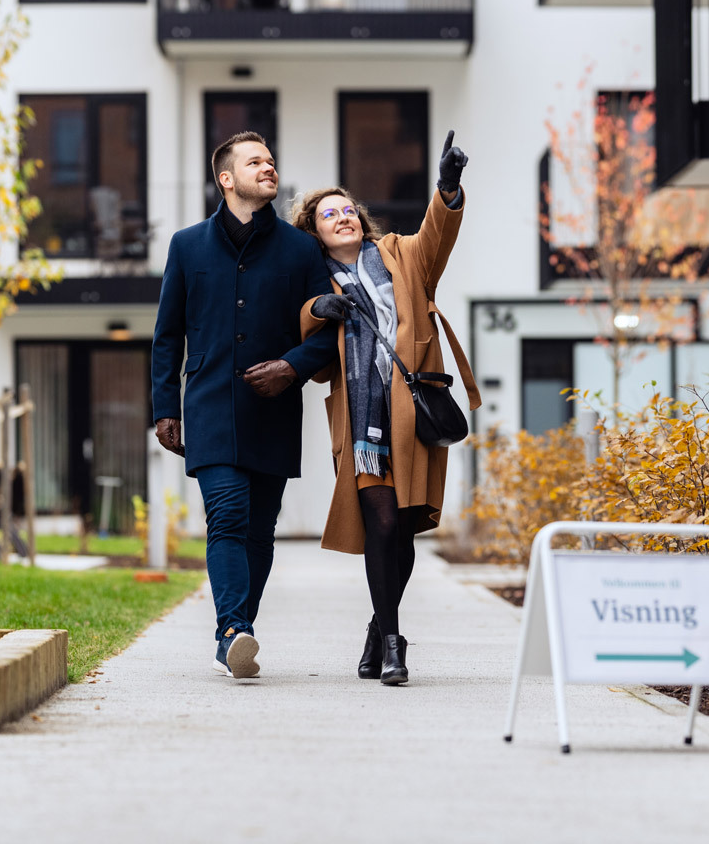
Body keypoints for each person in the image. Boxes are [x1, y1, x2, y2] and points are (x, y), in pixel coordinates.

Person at [294, 130, 480, 685]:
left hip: (412, 414)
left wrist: (446, 188)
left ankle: (379, 628)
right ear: (315, 230)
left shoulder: (399, 254)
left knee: (401, 528)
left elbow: (436, 238)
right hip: (361, 423)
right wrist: (316, 307)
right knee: (378, 522)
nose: (344, 216)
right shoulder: (315, 280)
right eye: (330, 214)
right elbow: (297, 327)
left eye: (348, 209)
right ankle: (396, 644)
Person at [152, 131, 339, 680]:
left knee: (260, 530)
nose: (269, 167)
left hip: (273, 410)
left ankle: (236, 634)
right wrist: (166, 406)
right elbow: (167, 335)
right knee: (227, 514)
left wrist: (292, 368)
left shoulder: (302, 250)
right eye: (255, 161)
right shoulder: (187, 246)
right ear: (226, 178)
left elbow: (327, 332)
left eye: (272, 161)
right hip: (209, 405)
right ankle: (233, 629)